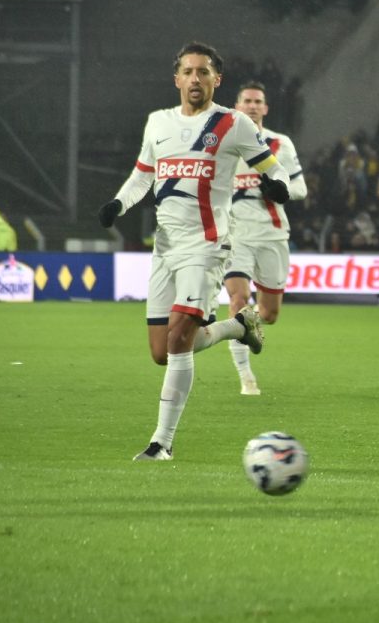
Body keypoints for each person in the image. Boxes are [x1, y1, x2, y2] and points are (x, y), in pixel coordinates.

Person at [98, 42, 291, 461]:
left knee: (180, 336)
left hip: (207, 245)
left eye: (204, 72)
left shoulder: (233, 123)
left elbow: (271, 166)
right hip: (165, 248)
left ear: (216, 79)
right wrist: (118, 204)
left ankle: (161, 443)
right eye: (188, 71)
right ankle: (238, 327)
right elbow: (141, 176)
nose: (195, 79)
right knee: (161, 352)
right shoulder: (158, 123)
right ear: (177, 79)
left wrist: (278, 185)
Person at [224, 81, 308, 395]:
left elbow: (301, 188)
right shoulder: (221, 145)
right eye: (247, 100)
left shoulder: (280, 143)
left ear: (266, 108)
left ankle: (245, 325)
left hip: (272, 234)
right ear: (237, 106)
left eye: (258, 101)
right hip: (235, 235)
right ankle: (246, 378)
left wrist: (281, 191)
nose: (253, 106)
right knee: (238, 298)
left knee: (269, 314)